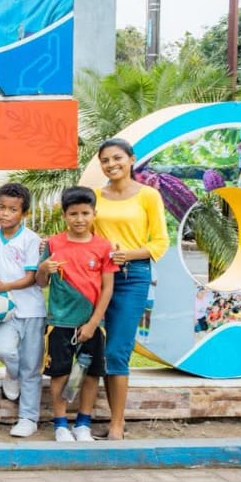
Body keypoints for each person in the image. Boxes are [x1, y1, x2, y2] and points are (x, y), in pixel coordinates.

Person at [92, 137, 169, 440]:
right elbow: (85, 232)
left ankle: (116, 423)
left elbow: (160, 242)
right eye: (105, 160)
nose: (111, 164)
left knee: (117, 350)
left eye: (117, 158)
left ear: (131, 159)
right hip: (97, 276)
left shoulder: (148, 195)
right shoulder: (95, 197)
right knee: (98, 350)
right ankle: (103, 419)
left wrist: (128, 255)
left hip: (132, 276)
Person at [37, 187, 116, 443]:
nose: (79, 219)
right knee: (59, 373)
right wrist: (43, 268)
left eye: (85, 213)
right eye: (73, 214)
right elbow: (41, 282)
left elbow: (108, 288)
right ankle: (60, 425)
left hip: (92, 323)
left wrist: (93, 323)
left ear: (94, 214)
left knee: (91, 374)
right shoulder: (53, 244)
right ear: (64, 215)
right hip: (59, 321)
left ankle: (83, 424)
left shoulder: (103, 247)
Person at [0, 183, 47, 438]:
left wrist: (5, 286)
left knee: (31, 367)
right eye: (1, 207)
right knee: (3, 350)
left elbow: (31, 278)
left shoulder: (31, 239)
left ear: (24, 213)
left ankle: (28, 418)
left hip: (32, 309)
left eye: (12, 209)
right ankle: (12, 373)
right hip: (3, 309)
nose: (5, 213)